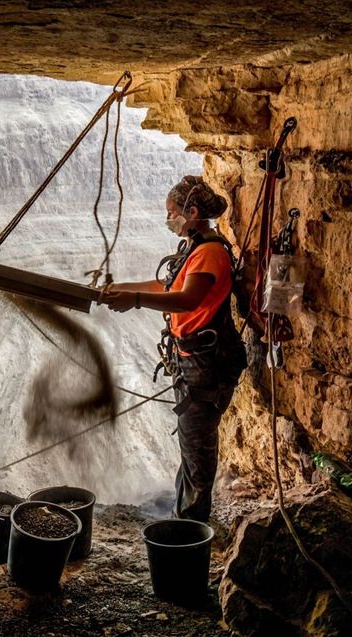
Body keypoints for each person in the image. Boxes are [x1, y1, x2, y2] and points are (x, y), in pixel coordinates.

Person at [97, 175, 247, 523]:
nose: (169, 219)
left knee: (197, 448)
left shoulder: (210, 253)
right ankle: (186, 519)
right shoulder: (194, 248)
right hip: (194, 359)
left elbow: (187, 299)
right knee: (191, 446)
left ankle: (191, 530)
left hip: (207, 363)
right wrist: (118, 288)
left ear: (192, 211)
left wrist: (134, 300)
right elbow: (167, 284)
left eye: (172, 212)